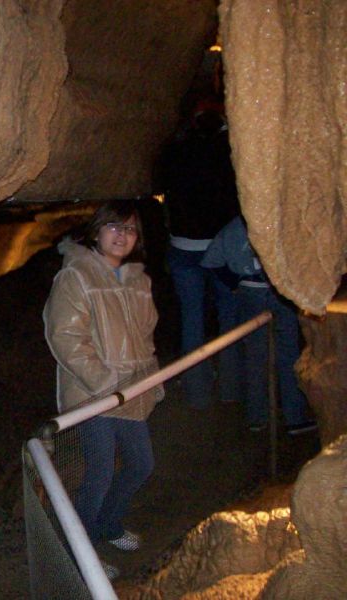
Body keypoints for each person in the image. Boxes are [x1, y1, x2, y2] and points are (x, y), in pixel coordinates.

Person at [43, 200, 163, 580]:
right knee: (99, 475)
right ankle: (82, 554)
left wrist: (152, 381)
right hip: (94, 396)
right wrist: (104, 383)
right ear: (96, 231)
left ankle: (108, 524)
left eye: (129, 229)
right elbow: (66, 338)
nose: (122, 235)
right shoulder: (76, 277)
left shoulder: (138, 280)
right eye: (114, 227)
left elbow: (145, 339)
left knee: (141, 464)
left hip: (132, 391)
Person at [154, 102, 241, 409]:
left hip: (183, 247)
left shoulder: (175, 152)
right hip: (220, 249)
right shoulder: (225, 151)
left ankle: (197, 393)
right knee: (230, 318)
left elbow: (160, 185)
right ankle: (231, 388)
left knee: (192, 319)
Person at [201, 216, 317, 435]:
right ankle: (295, 417)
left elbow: (212, 260)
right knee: (288, 355)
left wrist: (235, 282)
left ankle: (257, 417)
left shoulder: (234, 226)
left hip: (251, 293)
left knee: (256, 357)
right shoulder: (282, 220)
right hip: (278, 293)